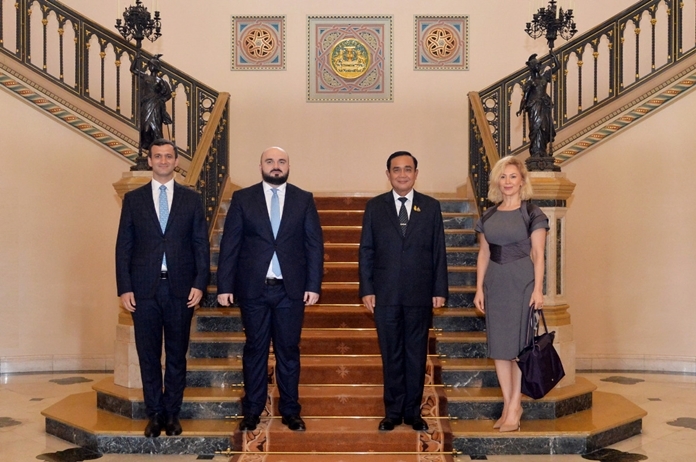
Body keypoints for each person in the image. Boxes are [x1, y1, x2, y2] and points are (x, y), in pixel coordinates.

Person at [216, 147, 324, 433]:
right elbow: (230, 244)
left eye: (281, 161)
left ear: (288, 166)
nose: (276, 166)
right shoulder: (243, 199)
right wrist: (224, 285)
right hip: (254, 290)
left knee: (288, 351)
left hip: (291, 290)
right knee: (255, 350)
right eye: (270, 161)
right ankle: (252, 410)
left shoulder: (303, 199)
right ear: (261, 166)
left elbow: (314, 245)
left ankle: (290, 411)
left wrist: (313, 284)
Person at [115, 139, 210, 438]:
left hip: (181, 289)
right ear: (150, 160)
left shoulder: (192, 199)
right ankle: (155, 414)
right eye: (158, 156)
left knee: (177, 355)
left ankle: (172, 413)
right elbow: (123, 247)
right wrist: (124, 287)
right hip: (143, 291)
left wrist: (200, 283)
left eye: (169, 156)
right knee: (148, 355)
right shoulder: (134, 200)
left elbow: (200, 245)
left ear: (176, 161)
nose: (163, 161)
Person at [358, 151, 448, 432]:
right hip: (384, 295)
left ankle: (413, 412)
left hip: (420, 293)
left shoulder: (430, 207)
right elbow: (366, 250)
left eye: (408, 169)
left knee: (416, 354)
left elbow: (438, 251)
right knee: (391, 354)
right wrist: (367, 288)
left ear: (416, 174)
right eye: (396, 169)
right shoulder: (375, 207)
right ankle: (393, 412)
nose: (402, 174)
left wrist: (439, 288)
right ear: (388, 175)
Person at [473, 155, 548, 433]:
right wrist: (479, 288)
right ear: (497, 181)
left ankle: (516, 406)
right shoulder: (488, 216)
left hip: (523, 284)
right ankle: (507, 404)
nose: (507, 181)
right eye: (503, 176)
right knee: (500, 349)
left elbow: (538, 254)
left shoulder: (533, 213)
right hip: (495, 284)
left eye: (513, 176)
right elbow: (484, 254)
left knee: (519, 349)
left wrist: (538, 289)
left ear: (522, 180)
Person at [516, 52, 559, 158]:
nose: (538, 66)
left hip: (544, 106)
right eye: (536, 65)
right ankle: (536, 151)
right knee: (536, 128)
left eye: (539, 64)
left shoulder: (545, 77)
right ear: (532, 67)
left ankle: (542, 151)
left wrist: (553, 56)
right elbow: (525, 97)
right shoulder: (530, 82)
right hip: (534, 107)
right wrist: (520, 109)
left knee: (544, 127)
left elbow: (557, 66)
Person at [131, 53, 173, 152]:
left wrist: (161, 99)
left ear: (157, 67)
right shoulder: (145, 76)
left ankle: (157, 149)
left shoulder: (161, 81)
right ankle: (148, 146)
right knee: (145, 128)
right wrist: (136, 59)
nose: (152, 67)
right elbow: (133, 70)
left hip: (156, 105)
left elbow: (168, 94)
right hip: (146, 105)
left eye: (154, 65)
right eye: (151, 65)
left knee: (156, 128)